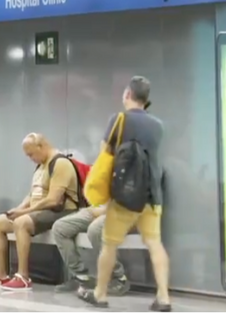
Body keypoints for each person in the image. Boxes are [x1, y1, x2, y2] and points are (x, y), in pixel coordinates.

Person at [78, 76, 169, 310]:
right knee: (155, 244)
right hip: (152, 196)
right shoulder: (158, 125)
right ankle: (164, 297)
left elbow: (104, 157)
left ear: (127, 94)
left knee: (109, 245)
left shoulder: (118, 120)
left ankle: (100, 294)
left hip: (125, 197)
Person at [0, 133, 82, 291]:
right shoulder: (41, 165)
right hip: (39, 211)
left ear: (41, 146)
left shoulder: (60, 163)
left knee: (21, 222)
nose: (30, 158)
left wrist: (24, 213)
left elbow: (53, 199)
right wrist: (19, 209)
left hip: (61, 211)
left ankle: (23, 276)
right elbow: (32, 195)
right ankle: (0, 274)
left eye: (31, 154)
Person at [51, 205, 129, 294]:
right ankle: (82, 277)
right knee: (60, 227)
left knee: (95, 230)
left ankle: (119, 278)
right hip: (97, 208)